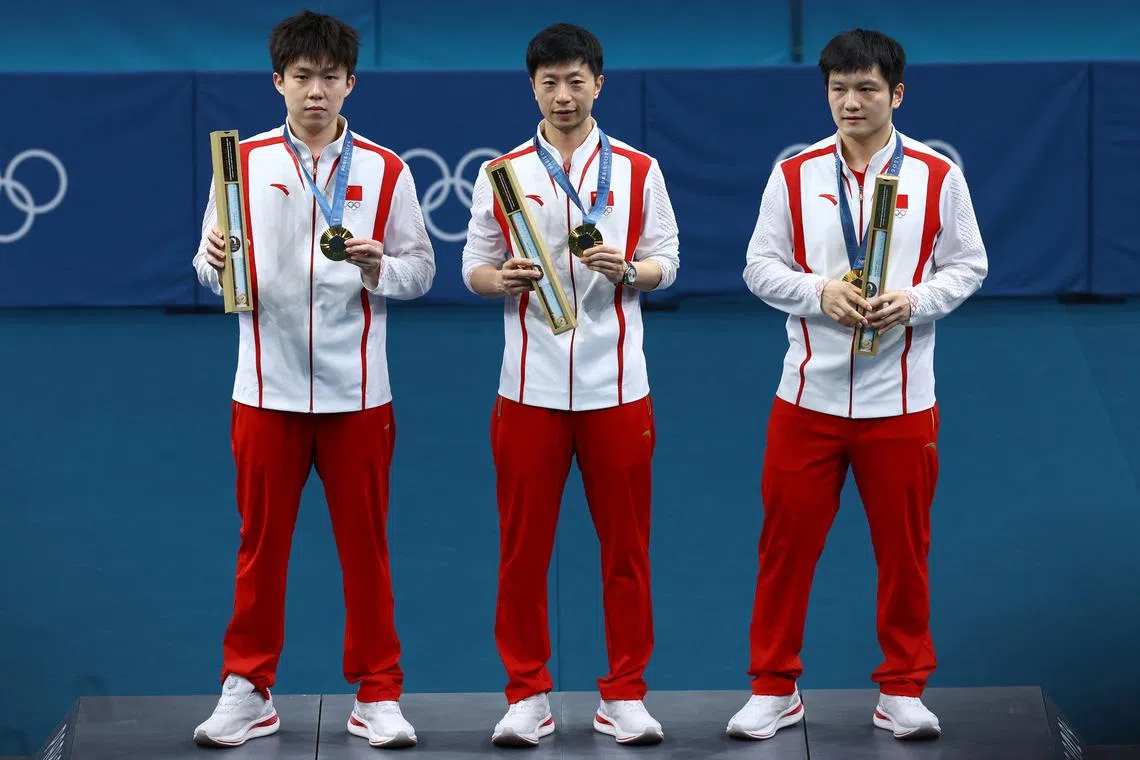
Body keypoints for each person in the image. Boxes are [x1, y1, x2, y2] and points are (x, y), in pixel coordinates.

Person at [728, 28, 987, 742]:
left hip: (901, 402)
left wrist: (916, 301)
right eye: (839, 89)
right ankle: (773, 687)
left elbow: (969, 265)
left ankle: (902, 688)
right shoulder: (793, 175)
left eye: (866, 88)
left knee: (904, 552)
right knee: (785, 549)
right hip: (806, 398)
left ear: (896, 94)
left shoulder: (938, 175)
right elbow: (758, 267)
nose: (851, 102)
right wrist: (819, 292)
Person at [189, 10, 435, 750]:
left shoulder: (386, 169)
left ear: (351, 83)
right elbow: (208, 267)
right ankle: (247, 688)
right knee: (260, 548)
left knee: (367, 550)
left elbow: (421, 272)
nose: (316, 90)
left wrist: (379, 268)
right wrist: (213, 262)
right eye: (303, 76)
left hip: (358, 395)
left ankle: (379, 694)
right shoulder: (240, 163)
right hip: (264, 391)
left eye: (330, 76)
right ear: (279, 82)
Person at [461, 22, 680, 748]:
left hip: (618, 390)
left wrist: (632, 270)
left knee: (628, 550)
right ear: (533, 87)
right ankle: (527, 694)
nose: (563, 95)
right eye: (550, 82)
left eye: (575, 81)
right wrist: (501, 279)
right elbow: (473, 268)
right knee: (523, 551)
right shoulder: (501, 174)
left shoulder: (640, 170)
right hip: (528, 391)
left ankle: (625, 694)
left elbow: (668, 260)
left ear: (598, 84)